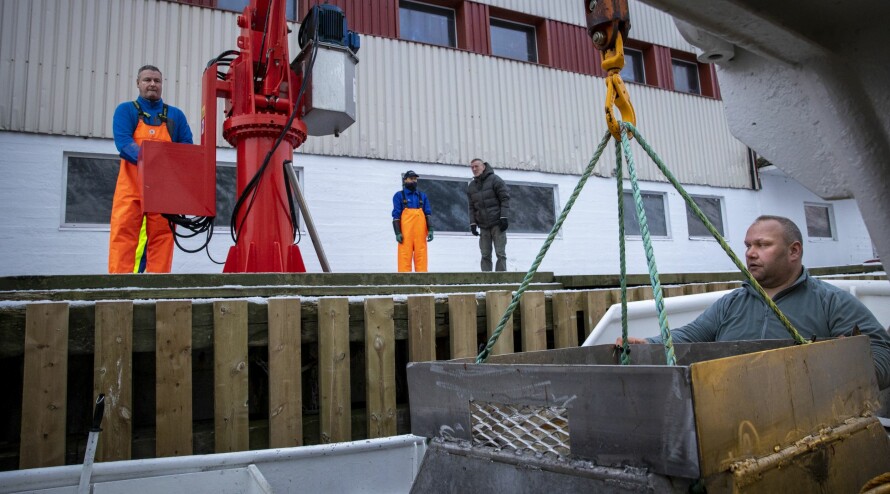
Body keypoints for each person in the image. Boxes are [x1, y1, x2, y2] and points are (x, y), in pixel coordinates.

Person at [618, 215, 890, 389]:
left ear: (794, 251)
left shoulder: (832, 301)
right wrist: (649, 344)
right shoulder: (731, 304)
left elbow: (881, 355)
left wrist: (850, 362)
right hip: (734, 413)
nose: (750, 253)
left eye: (762, 245)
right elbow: (690, 336)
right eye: (748, 245)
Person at [110, 65, 193, 273]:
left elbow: (186, 150)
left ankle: (157, 290)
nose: (152, 84)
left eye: (156, 80)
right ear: (138, 83)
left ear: (162, 84)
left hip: (163, 193)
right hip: (130, 190)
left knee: (163, 239)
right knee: (123, 236)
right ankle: (118, 289)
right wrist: (158, 163)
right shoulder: (125, 110)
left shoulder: (176, 116)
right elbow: (124, 144)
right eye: (147, 80)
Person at [467, 159, 510, 271]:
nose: (474, 169)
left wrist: (504, 217)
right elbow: (471, 207)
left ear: (483, 167)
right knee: (485, 254)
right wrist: (472, 223)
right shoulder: (471, 186)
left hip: (497, 223)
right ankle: (486, 280)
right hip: (483, 226)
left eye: (476, 166)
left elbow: (505, 199)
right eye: (472, 167)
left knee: (500, 253)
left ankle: (501, 281)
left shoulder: (495, 180)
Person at [392, 170, 433, 272]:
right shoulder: (399, 196)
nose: (413, 181)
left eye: (415, 179)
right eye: (411, 179)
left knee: (422, 258)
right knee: (404, 258)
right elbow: (396, 215)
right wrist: (397, 232)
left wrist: (431, 229)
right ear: (405, 180)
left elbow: (428, 213)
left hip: (420, 234)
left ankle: (423, 286)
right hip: (405, 235)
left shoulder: (422, 196)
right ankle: (405, 285)